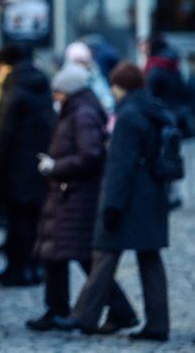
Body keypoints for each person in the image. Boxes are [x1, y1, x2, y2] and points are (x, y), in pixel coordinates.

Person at [61, 62, 172, 341]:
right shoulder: (152, 108)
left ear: (120, 86)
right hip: (152, 194)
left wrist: (111, 206)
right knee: (150, 259)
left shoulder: (128, 116)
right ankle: (157, 324)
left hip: (129, 198)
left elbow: (120, 167)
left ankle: (84, 316)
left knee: (105, 254)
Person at [26, 64, 135, 333]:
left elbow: (90, 155)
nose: (55, 96)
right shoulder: (77, 109)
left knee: (81, 257)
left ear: (69, 92)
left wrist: (55, 166)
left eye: (58, 91)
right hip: (69, 194)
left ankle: (120, 311)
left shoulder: (82, 112)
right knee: (59, 255)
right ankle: (60, 308)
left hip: (76, 195)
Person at [0, 44, 55, 286]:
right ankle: (34, 267)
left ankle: (18, 270)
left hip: (16, 166)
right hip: (37, 163)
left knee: (18, 222)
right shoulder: (40, 84)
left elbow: (6, 132)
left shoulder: (15, 88)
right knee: (33, 220)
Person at [64, 41, 116, 116]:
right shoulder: (64, 81)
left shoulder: (94, 75)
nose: (81, 67)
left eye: (83, 62)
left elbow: (107, 100)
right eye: (77, 62)